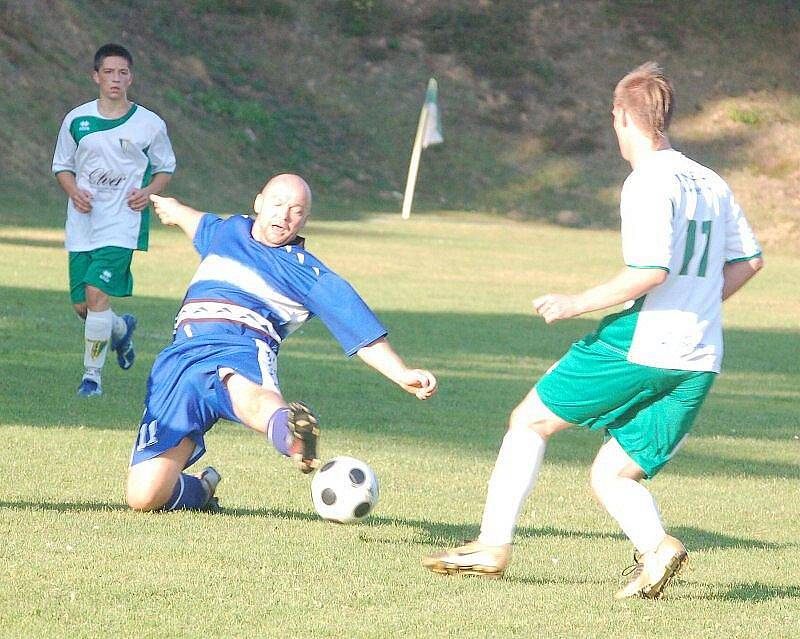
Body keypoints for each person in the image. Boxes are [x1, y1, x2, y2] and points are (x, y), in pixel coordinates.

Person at [422, 62, 763, 599]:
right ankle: (656, 549)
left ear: (623, 117)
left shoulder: (647, 182)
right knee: (613, 473)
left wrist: (575, 302)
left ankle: (492, 545)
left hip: (644, 341)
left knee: (529, 421)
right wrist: (698, 304)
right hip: (699, 355)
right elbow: (749, 261)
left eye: (613, 118)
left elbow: (650, 271)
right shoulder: (711, 180)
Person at [125, 173, 438, 512]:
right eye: (277, 205)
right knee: (143, 497)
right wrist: (172, 209)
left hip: (239, 348)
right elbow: (198, 223)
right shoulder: (229, 232)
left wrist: (401, 372)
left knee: (254, 400)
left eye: (296, 210)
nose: (284, 215)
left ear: (305, 219)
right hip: (179, 364)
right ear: (258, 203)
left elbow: (356, 323)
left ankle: (294, 437)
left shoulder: (305, 271)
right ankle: (201, 490)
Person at [52, 43, 176, 397]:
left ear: (131, 77)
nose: (116, 79)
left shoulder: (149, 124)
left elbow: (166, 166)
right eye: (109, 72)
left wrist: (149, 190)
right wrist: (73, 191)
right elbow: (62, 165)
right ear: (96, 76)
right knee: (84, 307)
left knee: (96, 295)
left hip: (123, 223)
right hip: (82, 223)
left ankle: (92, 378)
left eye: (123, 72)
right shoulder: (77, 120)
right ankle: (121, 331)